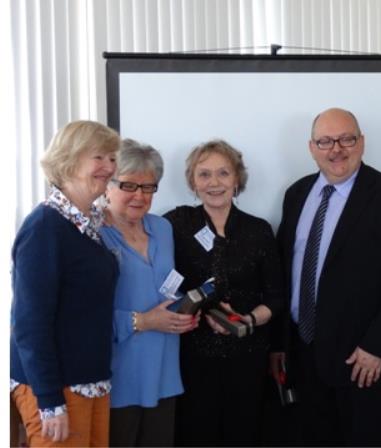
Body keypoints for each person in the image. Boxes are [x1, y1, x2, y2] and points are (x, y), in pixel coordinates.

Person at [270, 107, 381, 446]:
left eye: (346, 139)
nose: (336, 149)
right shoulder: (296, 194)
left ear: (362, 143)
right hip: (304, 355)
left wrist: (377, 346)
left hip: (363, 361)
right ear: (312, 147)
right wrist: (281, 343)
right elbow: (286, 271)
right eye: (325, 141)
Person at [164, 139, 284, 446]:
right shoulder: (175, 223)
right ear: (192, 180)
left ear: (237, 179)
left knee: (243, 433)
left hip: (247, 356)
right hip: (191, 357)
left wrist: (246, 321)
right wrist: (195, 311)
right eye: (204, 174)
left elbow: (275, 296)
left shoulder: (258, 230)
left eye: (223, 173)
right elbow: (161, 284)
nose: (214, 183)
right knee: (194, 433)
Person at [10, 120, 120, 446]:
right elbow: (30, 324)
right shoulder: (44, 227)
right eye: (98, 157)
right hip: (58, 389)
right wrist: (49, 401)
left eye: (112, 158)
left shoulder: (85, 225)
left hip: (92, 382)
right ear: (69, 160)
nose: (109, 166)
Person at [100, 139, 198, 446]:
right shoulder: (91, 233)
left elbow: (167, 285)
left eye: (148, 187)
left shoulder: (163, 229)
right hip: (117, 377)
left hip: (164, 374)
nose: (139, 196)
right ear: (108, 184)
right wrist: (142, 321)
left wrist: (184, 313)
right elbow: (81, 314)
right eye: (129, 185)